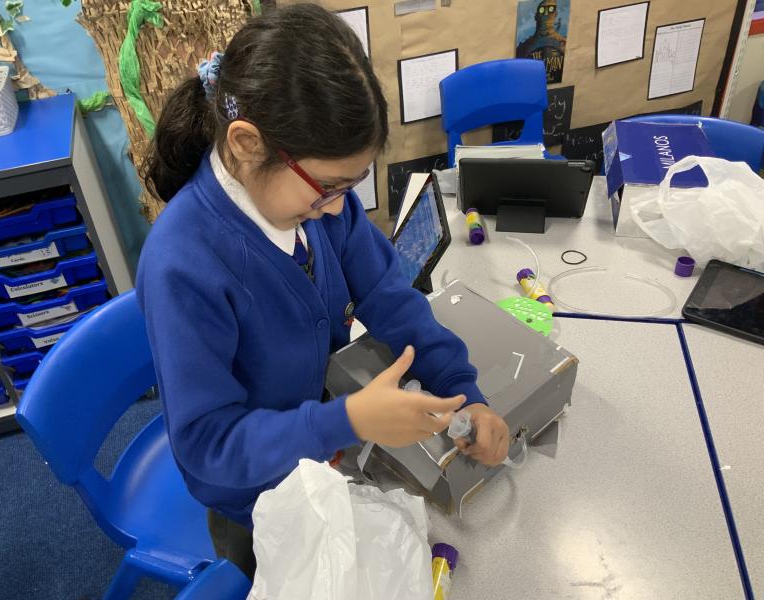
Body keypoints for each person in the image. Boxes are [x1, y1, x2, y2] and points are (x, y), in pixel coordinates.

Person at [137, 3, 509, 580]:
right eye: (329, 186)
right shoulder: (183, 266)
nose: (339, 208)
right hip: (255, 497)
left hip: (325, 447)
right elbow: (209, 446)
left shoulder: (319, 210)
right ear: (246, 143)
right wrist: (347, 421)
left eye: (350, 186)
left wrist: (464, 390)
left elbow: (390, 297)